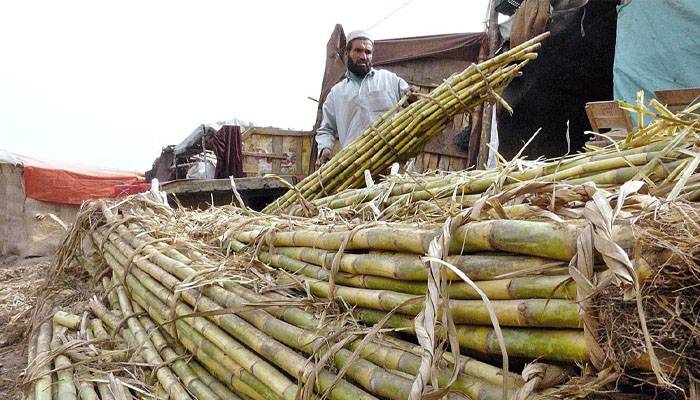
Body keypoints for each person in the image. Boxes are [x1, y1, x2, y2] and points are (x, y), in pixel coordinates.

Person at [315, 30, 412, 167]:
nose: (363, 56)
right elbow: (326, 129)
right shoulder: (336, 94)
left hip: (392, 162)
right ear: (346, 53)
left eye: (368, 52)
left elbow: (413, 103)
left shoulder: (389, 80)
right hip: (354, 166)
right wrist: (325, 149)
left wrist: (415, 96)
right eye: (358, 51)